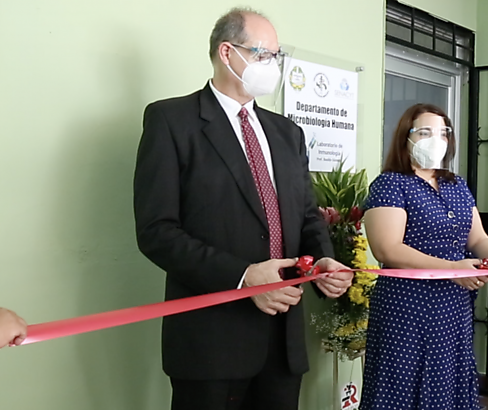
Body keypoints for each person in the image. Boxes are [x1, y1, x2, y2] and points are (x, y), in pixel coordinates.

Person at [132, 8, 353, 410]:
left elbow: (306, 216)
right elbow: (156, 231)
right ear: (228, 52)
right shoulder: (171, 121)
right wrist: (244, 277)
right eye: (262, 54)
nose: (272, 65)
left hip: (282, 343)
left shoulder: (288, 133)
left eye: (276, 55)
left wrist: (323, 261)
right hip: (211, 344)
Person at [360, 103, 488, 410]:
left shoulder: (456, 184)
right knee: (402, 385)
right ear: (405, 138)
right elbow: (387, 248)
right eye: (424, 132)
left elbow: (476, 237)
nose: (435, 139)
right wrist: (452, 268)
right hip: (407, 307)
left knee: (448, 384)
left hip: (453, 307)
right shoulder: (390, 184)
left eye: (442, 133)